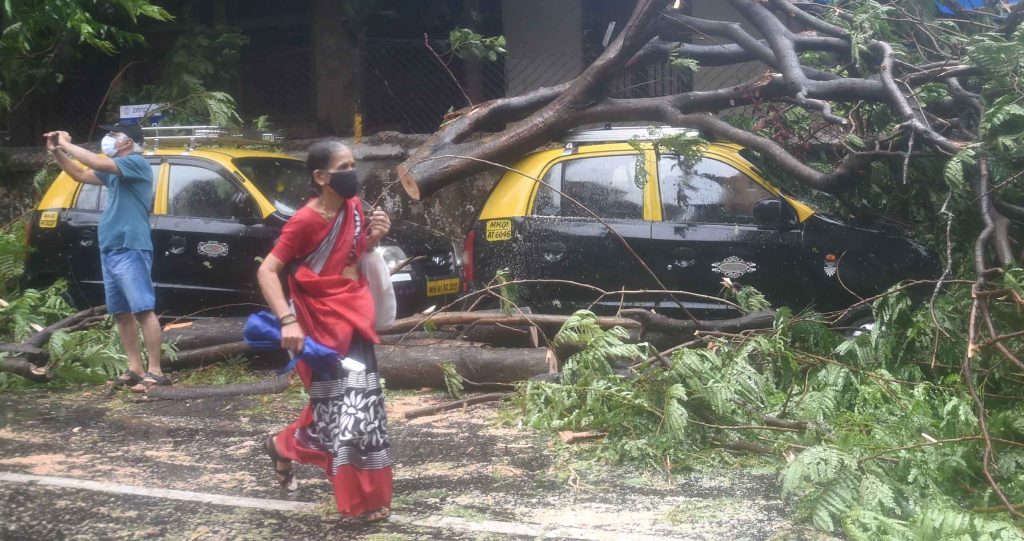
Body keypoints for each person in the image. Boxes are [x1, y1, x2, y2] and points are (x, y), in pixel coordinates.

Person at [255, 139, 393, 522]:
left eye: (353, 163)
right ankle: (356, 499)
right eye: (344, 166)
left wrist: (374, 238)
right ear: (320, 176)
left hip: (354, 320)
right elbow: (267, 271)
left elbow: (352, 254)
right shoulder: (303, 221)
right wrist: (287, 319)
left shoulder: (354, 208)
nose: (353, 172)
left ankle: (283, 447)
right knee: (343, 409)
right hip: (318, 329)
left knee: (362, 407)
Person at [43, 123, 168, 392]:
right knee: (122, 313)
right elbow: (80, 172)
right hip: (110, 248)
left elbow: (94, 160)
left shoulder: (136, 163)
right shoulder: (116, 172)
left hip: (131, 245)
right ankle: (135, 368)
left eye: (114, 135)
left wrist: (66, 143)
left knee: (143, 310)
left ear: (127, 142)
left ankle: (155, 371)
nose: (109, 139)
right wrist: (57, 152)